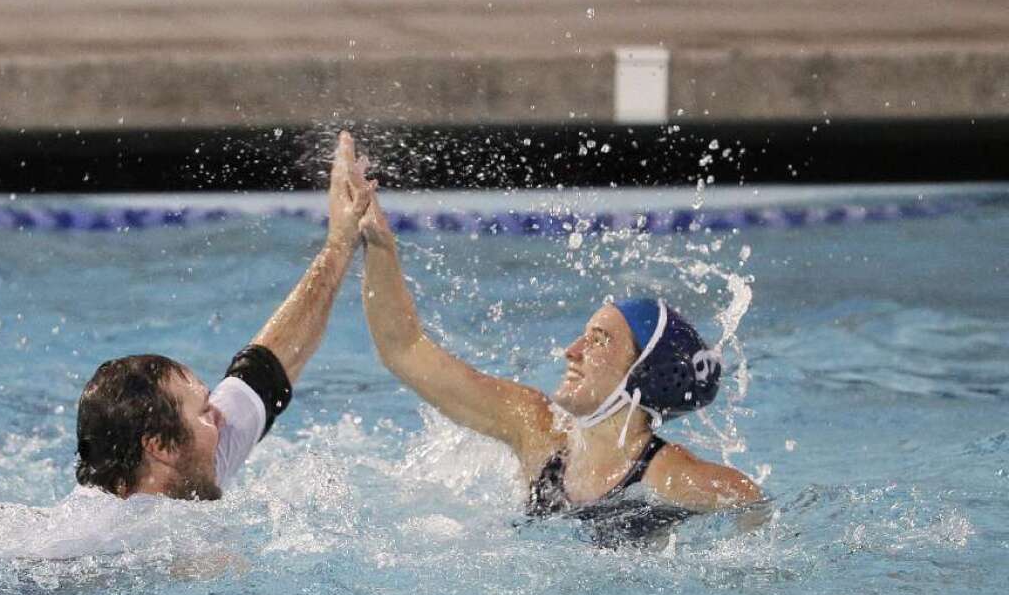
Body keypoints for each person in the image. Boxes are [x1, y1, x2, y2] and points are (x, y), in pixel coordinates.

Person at [358, 183, 762, 544]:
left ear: (643, 372)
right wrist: (379, 247)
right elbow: (406, 352)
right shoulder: (536, 431)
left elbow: (755, 510)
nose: (572, 350)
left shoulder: (672, 476)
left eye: (599, 340)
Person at [74, 131, 374, 502]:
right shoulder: (90, 543)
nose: (220, 415)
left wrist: (339, 242)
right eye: (204, 411)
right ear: (158, 446)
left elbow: (271, 363)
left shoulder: (193, 464)